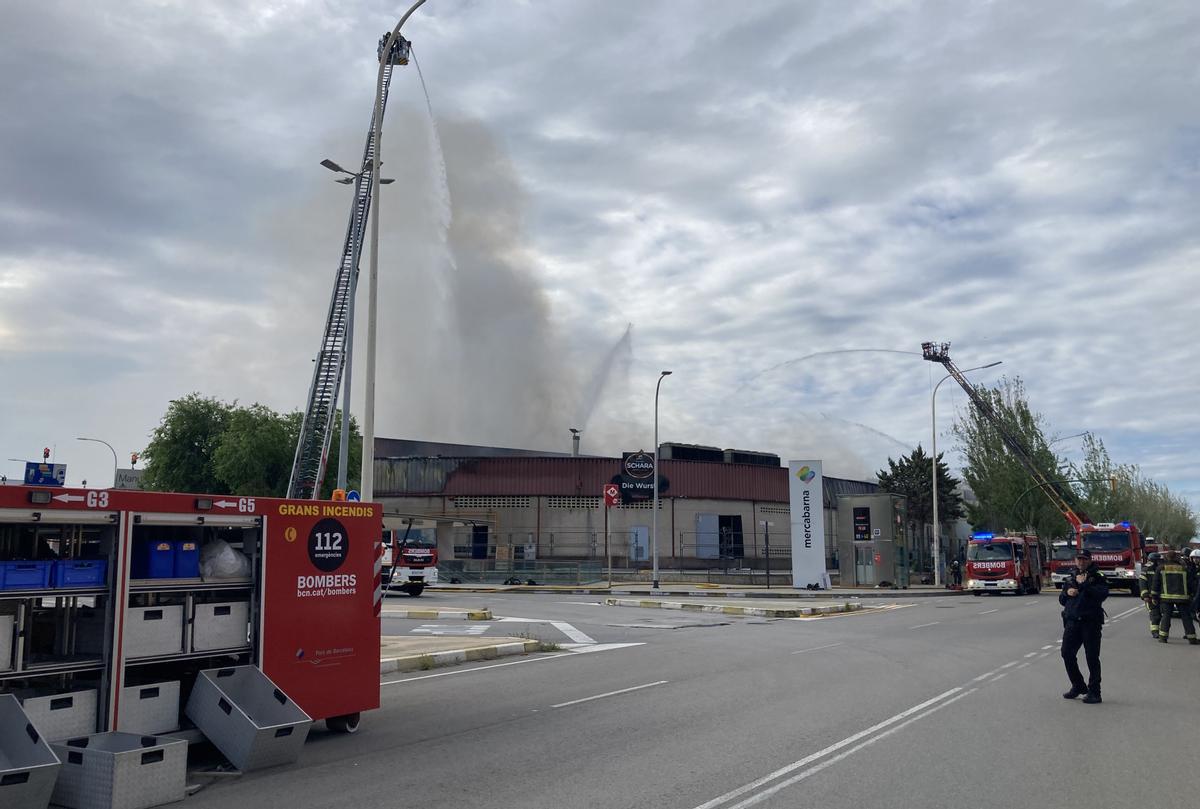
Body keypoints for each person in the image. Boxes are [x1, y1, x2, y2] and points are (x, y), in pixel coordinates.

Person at [1059, 548, 1108, 704]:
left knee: (1092, 657)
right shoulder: (1071, 577)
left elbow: (1102, 594)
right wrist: (1068, 592)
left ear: (1090, 560)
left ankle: (1095, 692)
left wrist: (1084, 584)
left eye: (1084, 559)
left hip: (1090, 622)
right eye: (1078, 559)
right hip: (1072, 622)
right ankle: (1078, 685)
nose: (1081, 562)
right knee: (1066, 653)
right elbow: (1062, 599)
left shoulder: (1098, 576)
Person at [1152, 547, 1197, 644]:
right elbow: (1190, 583)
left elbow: (1156, 583)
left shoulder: (1161, 568)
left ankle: (1163, 637)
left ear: (1167, 557)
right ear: (1177, 558)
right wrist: (1192, 595)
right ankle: (1192, 638)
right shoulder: (1184, 568)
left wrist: (1154, 597)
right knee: (1186, 618)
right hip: (1183, 598)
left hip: (1166, 597)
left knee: (1166, 616)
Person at [1139, 552, 1161, 639]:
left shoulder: (1160, 569)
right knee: (1155, 614)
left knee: (1161, 615)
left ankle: (1161, 631)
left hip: (1161, 596)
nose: (1159, 561)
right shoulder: (1146, 570)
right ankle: (1155, 632)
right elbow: (1142, 583)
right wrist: (1145, 595)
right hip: (1150, 597)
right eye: (1157, 560)